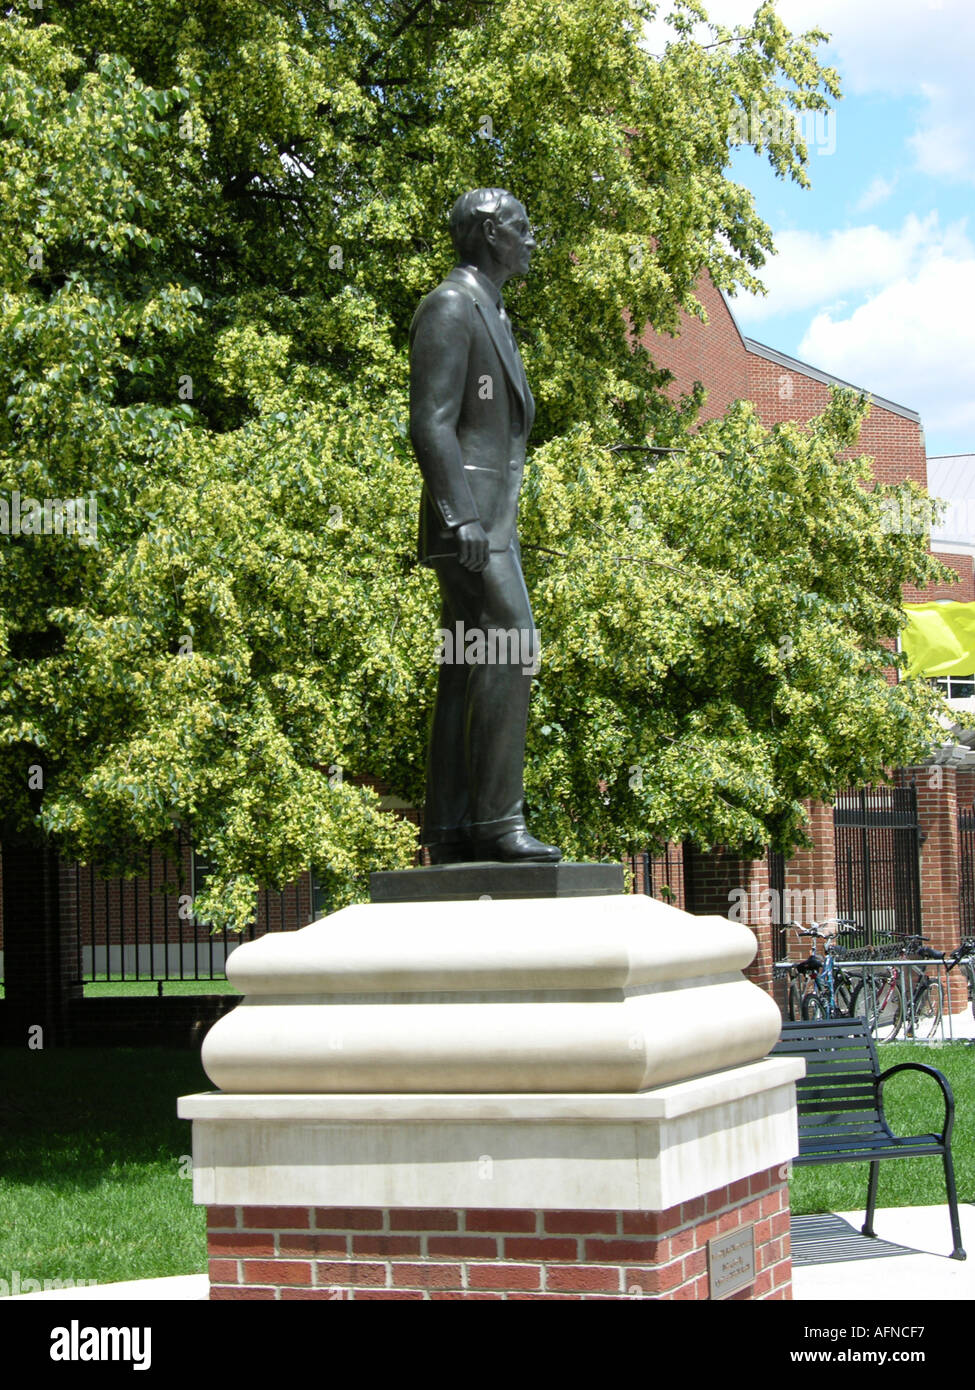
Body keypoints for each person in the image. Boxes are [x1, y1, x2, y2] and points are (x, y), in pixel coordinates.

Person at [409, 188, 561, 864]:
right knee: (511, 646)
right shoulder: (451, 305)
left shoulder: (490, 308)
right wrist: (460, 515)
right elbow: (430, 422)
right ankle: (498, 823)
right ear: (492, 234)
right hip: (469, 521)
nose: (532, 241)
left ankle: (450, 827)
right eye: (523, 229)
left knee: (464, 665)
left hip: (492, 520)